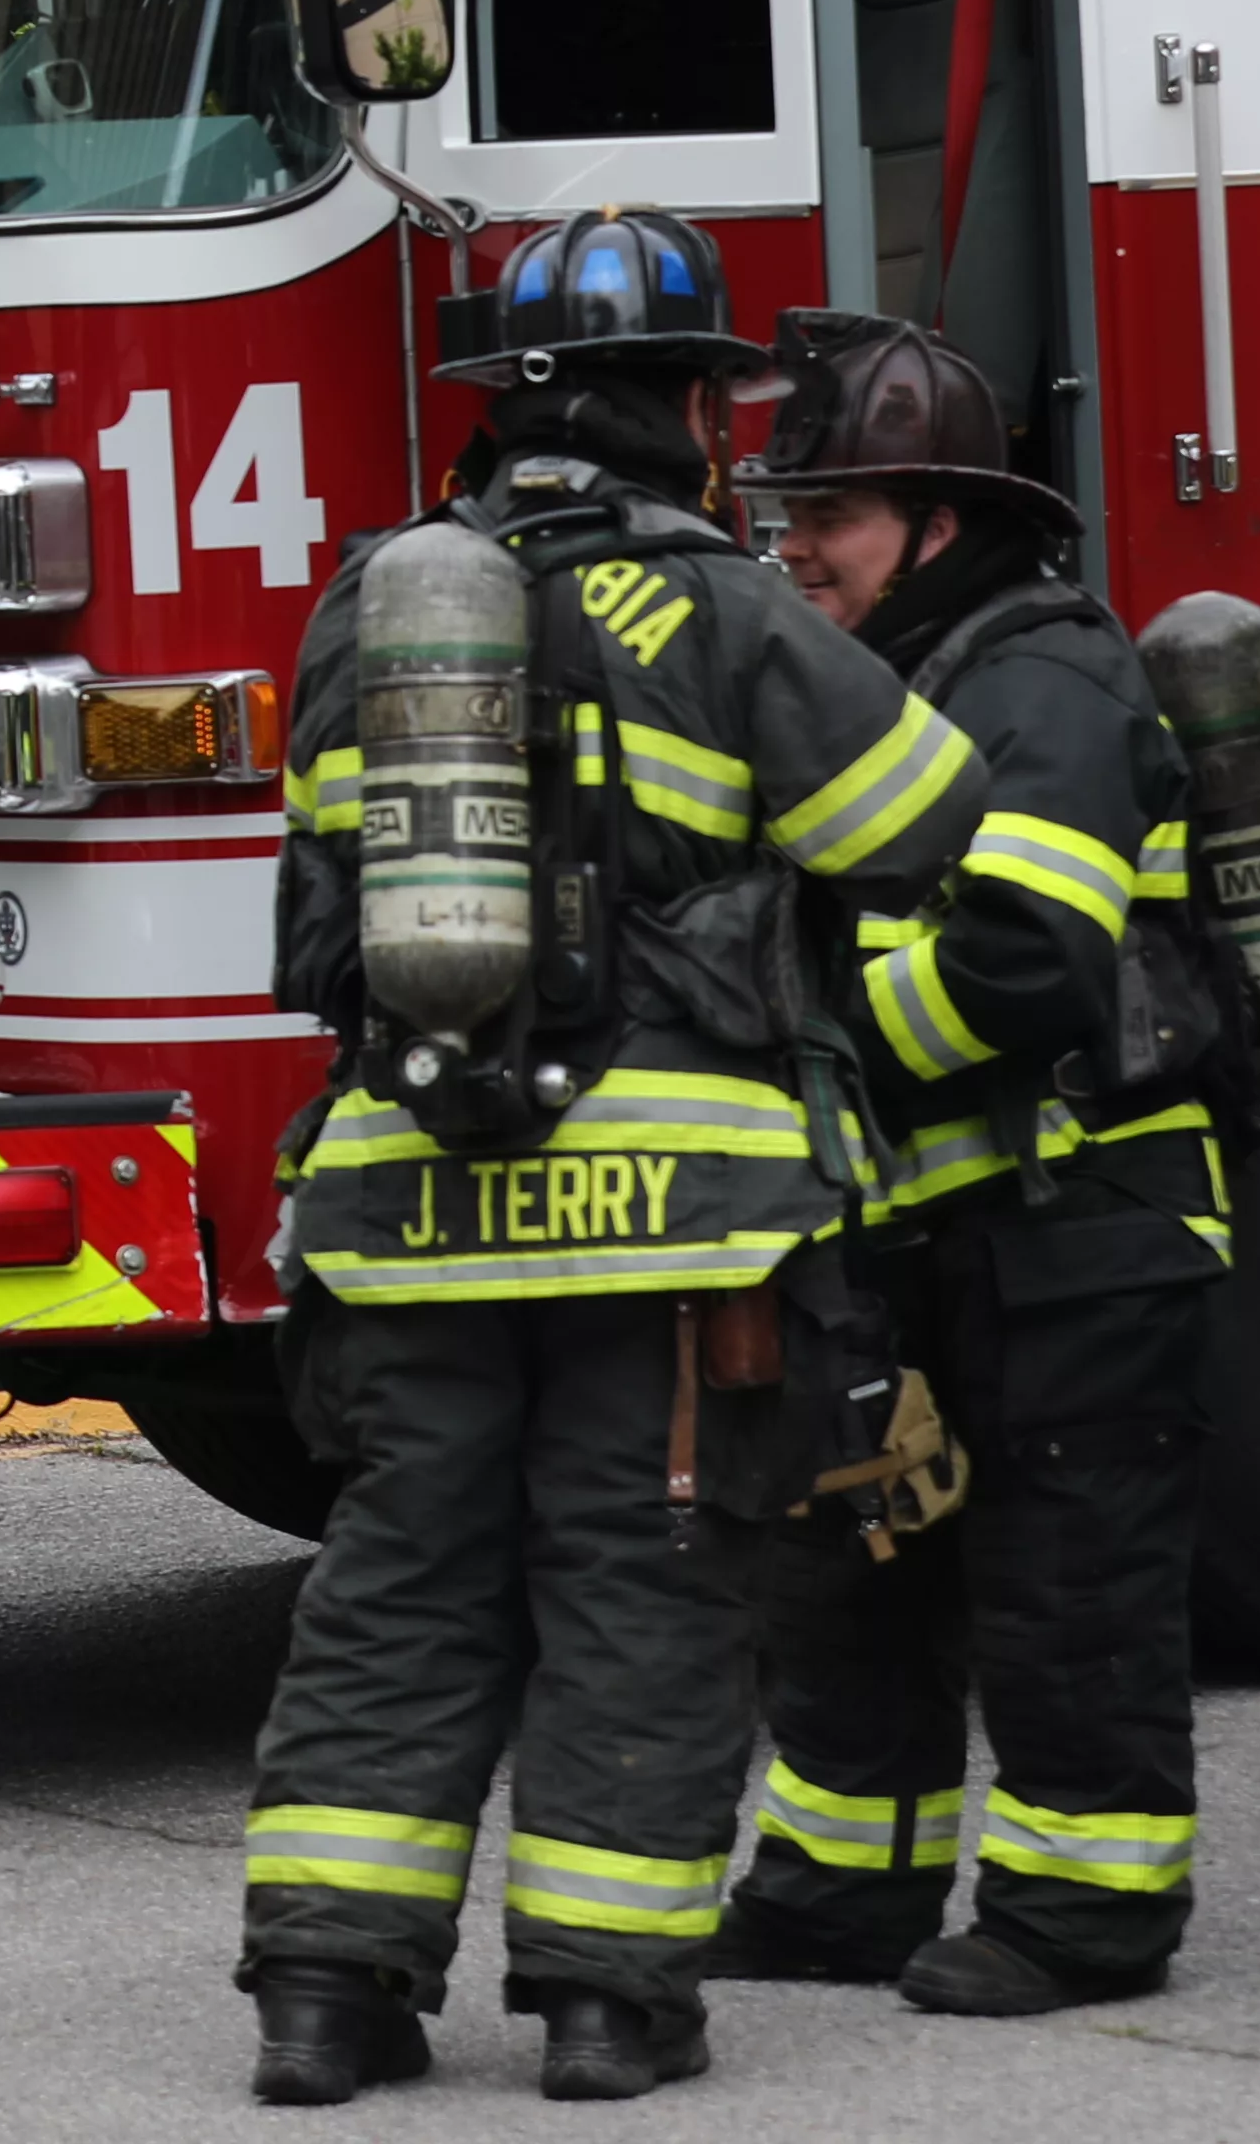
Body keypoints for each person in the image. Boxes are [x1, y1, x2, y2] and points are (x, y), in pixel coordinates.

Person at [239, 209, 988, 2109]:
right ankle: (603, 2001)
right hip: (671, 1220)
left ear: (499, 410)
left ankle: (328, 1989)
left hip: (406, 1202)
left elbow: (325, 878)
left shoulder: (371, 601)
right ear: (685, 412)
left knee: (402, 1579)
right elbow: (918, 824)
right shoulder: (722, 604)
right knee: (639, 1580)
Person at [711, 315, 1223, 2019]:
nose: (794, 547)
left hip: (1086, 1225)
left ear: (939, 523)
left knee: (1065, 1582)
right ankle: (839, 1892)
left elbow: (1023, 969)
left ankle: (1087, 1914)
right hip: (928, 1225)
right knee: (853, 1562)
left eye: (832, 515)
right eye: (785, 513)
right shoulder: (885, 686)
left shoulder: (1044, 681)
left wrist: (813, 1043)